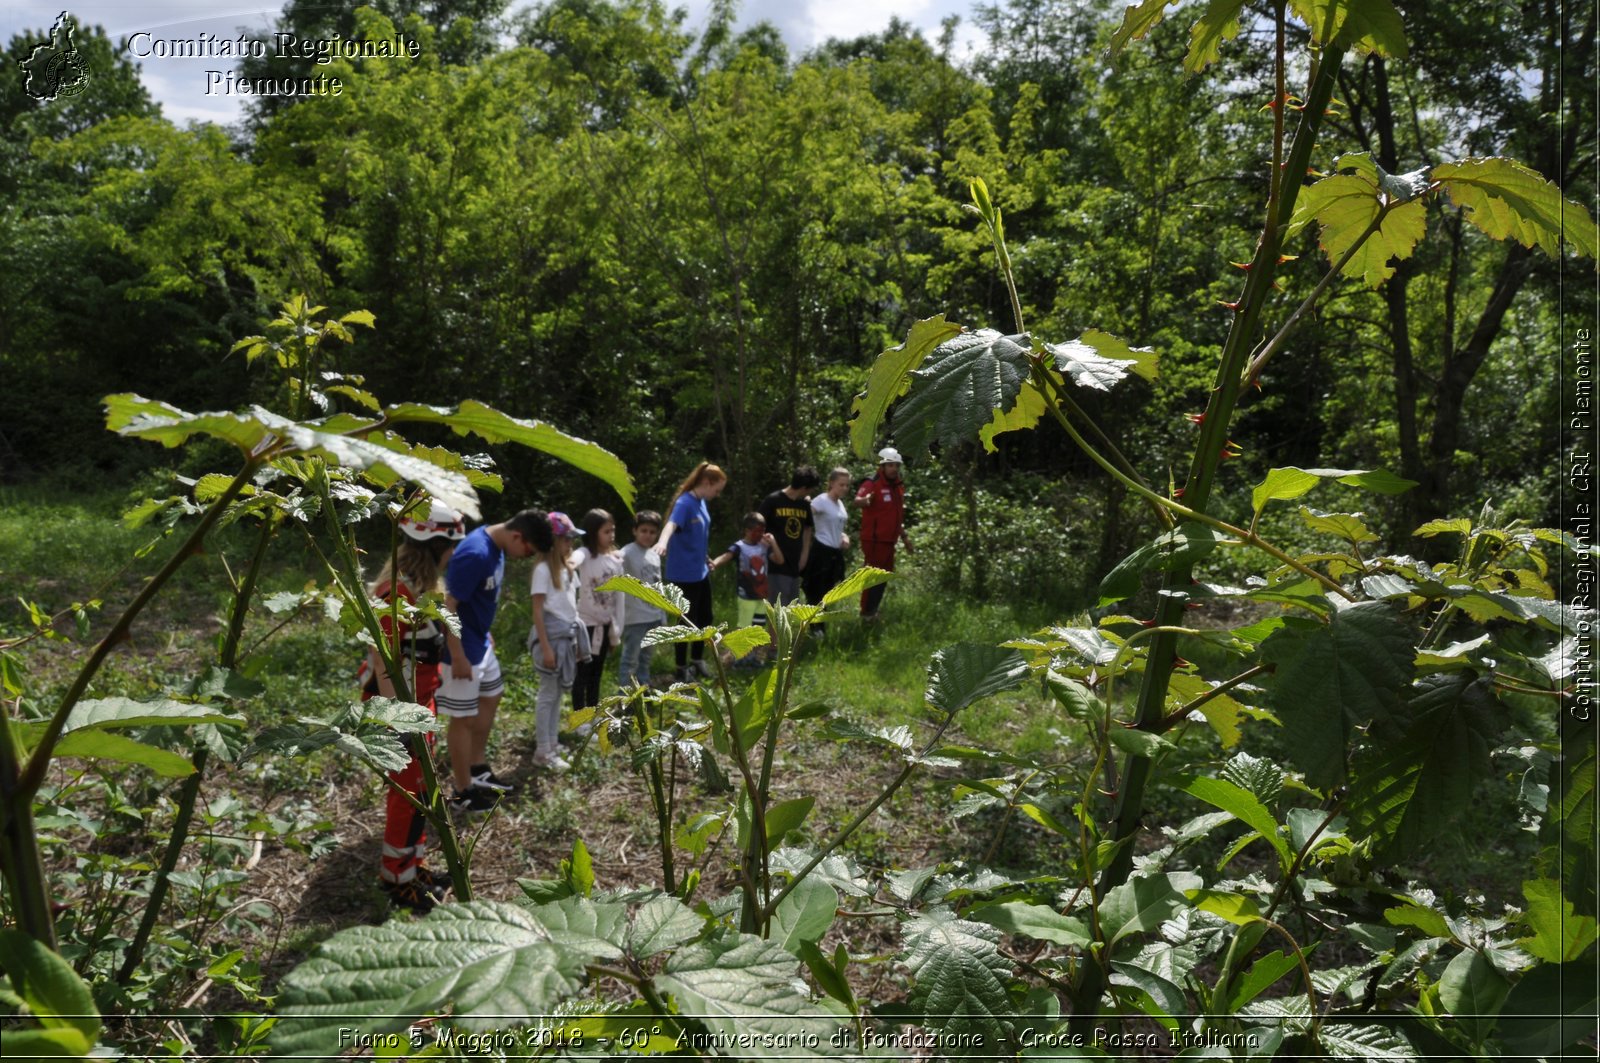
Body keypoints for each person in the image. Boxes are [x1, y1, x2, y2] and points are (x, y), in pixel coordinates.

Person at [360, 500, 464, 912]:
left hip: (422, 704)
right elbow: (381, 659)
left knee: (421, 789)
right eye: (450, 546)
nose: (454, 554)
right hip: (400, 709)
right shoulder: (395, 592)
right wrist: (396, 719)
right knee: (406, 794)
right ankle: (395, 880)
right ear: (435, 544)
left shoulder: (422, 588)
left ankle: (413, 866)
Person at [437, 509, 546, 812]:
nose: (525, 557)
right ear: (517, 536)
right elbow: (448, 605)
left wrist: (485, 632)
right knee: (462, 720)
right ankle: (461, 793)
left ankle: (477, 768)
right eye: (528, 551)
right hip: (462, 650)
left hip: (481, 642)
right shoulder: (475, 554)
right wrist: (456, 653)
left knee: (492, 695)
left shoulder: (496, 547)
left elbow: (479, 599)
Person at [654, 462, 727, 681]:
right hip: (683, 574)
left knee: (705, 617)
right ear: (706, 482)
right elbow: (671, 525)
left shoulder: (701, 503)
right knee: (686, 622)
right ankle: (680, 667)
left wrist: (705, 557)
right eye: (717, 489)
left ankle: (697, 661)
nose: (718, 494)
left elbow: (697, 534)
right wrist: (662, 542)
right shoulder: (685, 503)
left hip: (700, 571)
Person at [528, 511, 586, 772]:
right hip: (550, 638)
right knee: (548, 694)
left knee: (558, 694)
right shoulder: (542, 570)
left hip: (566, 637)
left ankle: (552, 743)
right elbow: (538, 611)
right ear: (552, 541)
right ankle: (542, 750)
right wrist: (547, 647)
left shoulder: (567, 568)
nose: (570, 543)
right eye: (566, 539)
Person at [573, 509, 624, 714]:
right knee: (582, 674)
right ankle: (579, 717)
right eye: (606, 531)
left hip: (606, 625)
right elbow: (574, 558)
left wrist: (616, 633)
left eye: (613, 531)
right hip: (587, 626)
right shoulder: (585, 554)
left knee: (596, 674)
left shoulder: (615, 560)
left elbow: (620, 597)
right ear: (593, 533)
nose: (611, 535)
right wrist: (568, 563)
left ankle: (593, 715)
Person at [854, 447, 913, 620]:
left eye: (896, 465)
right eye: (890, 465)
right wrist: (865, 501)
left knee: (883, 577)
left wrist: (905, 537)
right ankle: (866, 613)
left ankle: (873, 611)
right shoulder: (872, 483)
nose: (894, 468)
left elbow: (896, 516)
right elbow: (857, 501)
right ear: (883, 466)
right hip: (874, 540)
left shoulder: (898, 486)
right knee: (872, 577)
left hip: (890, 541)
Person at [711, 513, 784, 650]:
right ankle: (738, 653)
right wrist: (714, 563)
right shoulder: (739, 547)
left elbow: (780, 560)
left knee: (758, 628)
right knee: (744, 627)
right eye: (757, 531)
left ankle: (753, 655)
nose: (760, 535)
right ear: (747, 530)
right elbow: (726, 556)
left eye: (763, 531)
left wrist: (773, 542)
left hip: (762, 596)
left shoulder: (763, 547)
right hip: (746, 596)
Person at [618, 510, 666, 688]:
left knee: (646, 657)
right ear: (635, 531)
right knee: (630, 658)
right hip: (635, 617)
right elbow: (614, 570)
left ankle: (643, 690)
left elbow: (658, 585)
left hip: (653, 616)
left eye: (652, 532)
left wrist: (662, 614)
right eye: (644, 530)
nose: (648, 535)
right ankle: (626, 696)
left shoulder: (654, 555)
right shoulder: (627, 553)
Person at [758, 466, 818, 607]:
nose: (811, 492)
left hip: (795, 565)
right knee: (777, 611)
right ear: (804, 488)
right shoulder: (773, 501)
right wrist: (769, 552)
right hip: (776, 565)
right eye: (811, 489)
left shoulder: (804, 505)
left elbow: (808, 529)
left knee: (791, 610)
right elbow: (757, 527)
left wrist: (804, 555)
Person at [803, 467, 852, 628]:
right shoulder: (821, 500)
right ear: (831, 483)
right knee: (816, 591)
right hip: (821, 550)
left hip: (834, 552)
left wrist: (843, 536)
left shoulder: (840, 504)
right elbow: (806, 516)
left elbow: (836, 526)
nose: (844, 488)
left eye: (846, 485)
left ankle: (819, 626)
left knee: (828, 592)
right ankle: (815, 628)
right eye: (841, 485)